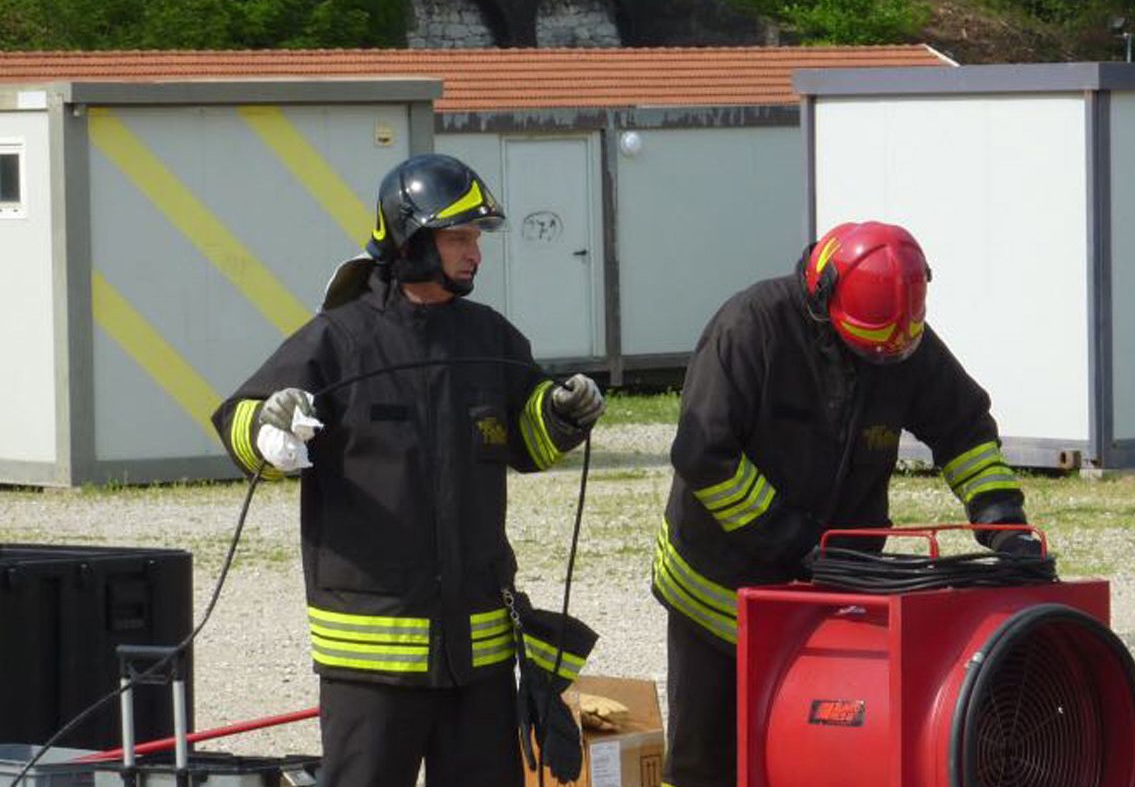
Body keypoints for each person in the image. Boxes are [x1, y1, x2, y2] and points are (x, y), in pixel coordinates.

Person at [210, 154, 604, 787]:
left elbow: (527, 439)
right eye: (458, 238)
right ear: (410, 238)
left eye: (476, 238)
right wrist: (269, 429)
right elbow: (239, 419)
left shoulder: (490, 338)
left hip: (478, 652)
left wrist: (560, 413)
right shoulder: (338, 340)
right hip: (373, 655)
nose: (475, 252)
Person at [653, 221, 1042, 787]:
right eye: (866, 348)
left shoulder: (897, 341)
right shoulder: (751, 328)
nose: (880, 361)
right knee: (708, 763)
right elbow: (703, 456)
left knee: (815, 749)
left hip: (830, 587)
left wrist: (1002, 521)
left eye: (892, 350)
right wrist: (794, 541)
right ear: (824, 301)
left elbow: (963, 427)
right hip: (718, 592)